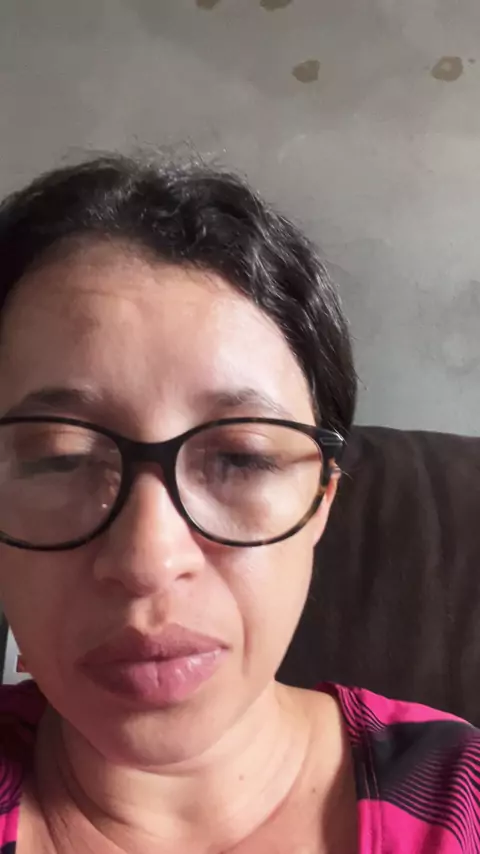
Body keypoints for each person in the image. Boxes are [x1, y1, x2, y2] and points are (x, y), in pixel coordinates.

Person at [0, 154, 477, 854]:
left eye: (240, 458)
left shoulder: (457, 797)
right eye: (63, 457)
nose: (147, 561)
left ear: (321, 498)